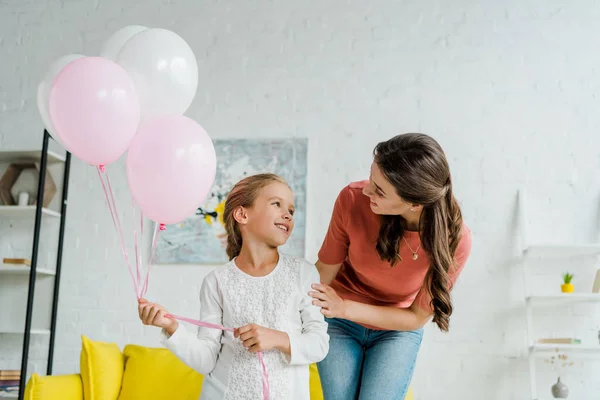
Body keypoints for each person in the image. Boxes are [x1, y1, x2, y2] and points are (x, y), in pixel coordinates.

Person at [309, 133, 472, 399]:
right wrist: (284, 312)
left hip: (396, 329)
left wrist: (344, 307)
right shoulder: (352, 200)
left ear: (414, 203)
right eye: (372, 179)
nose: (366, 191)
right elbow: (324, 271)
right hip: (338, 322)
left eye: (380, 190)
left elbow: (416, 317)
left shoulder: (457, 240)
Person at [138, 173, 329, 399]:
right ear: (242, 214)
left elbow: (319, 345)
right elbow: (206, 359)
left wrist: (278, 338)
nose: (287, 214)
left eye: (291, 210)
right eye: (276, 204)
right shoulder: (216, 281)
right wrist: (171, 327)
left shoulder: (303, 273)